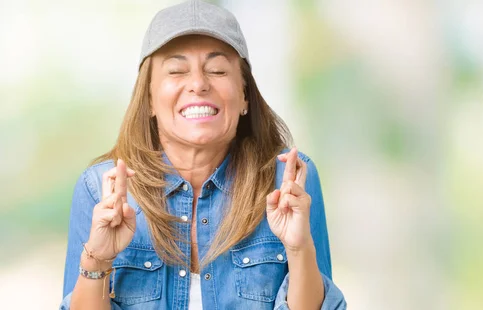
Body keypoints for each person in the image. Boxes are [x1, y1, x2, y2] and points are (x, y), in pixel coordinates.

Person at [59, 1, 346, 309]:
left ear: (245, 94)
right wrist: (98, 259)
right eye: (177, 70)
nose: (198, 84)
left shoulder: (289, 181)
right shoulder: (100, 189)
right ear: (150, 99)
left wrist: (299, 249)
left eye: (217, 70)